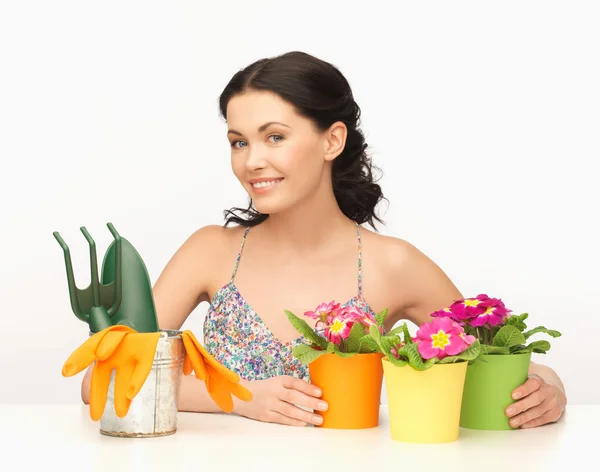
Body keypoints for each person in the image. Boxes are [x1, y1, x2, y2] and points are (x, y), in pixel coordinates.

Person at [81, 51, 566, 429]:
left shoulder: (394, 265)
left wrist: (549, 385)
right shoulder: (211, 252)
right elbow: (99, 380)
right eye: (239, 141)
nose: (251, 161)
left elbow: (489, 362)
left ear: (332, 141)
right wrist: (241, 398)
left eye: (274, 137)